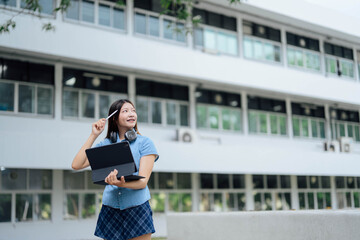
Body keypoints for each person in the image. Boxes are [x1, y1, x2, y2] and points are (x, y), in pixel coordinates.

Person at [71, 99, 159, 240]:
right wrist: (94, 135)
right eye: (125, 111)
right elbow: (76, 164)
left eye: (133, 110)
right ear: (114, 119)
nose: (131, 114)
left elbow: (142, 182)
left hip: (137, 208)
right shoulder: (105, 144)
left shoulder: (145, 143)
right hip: (110, 208)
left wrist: (120, 183)